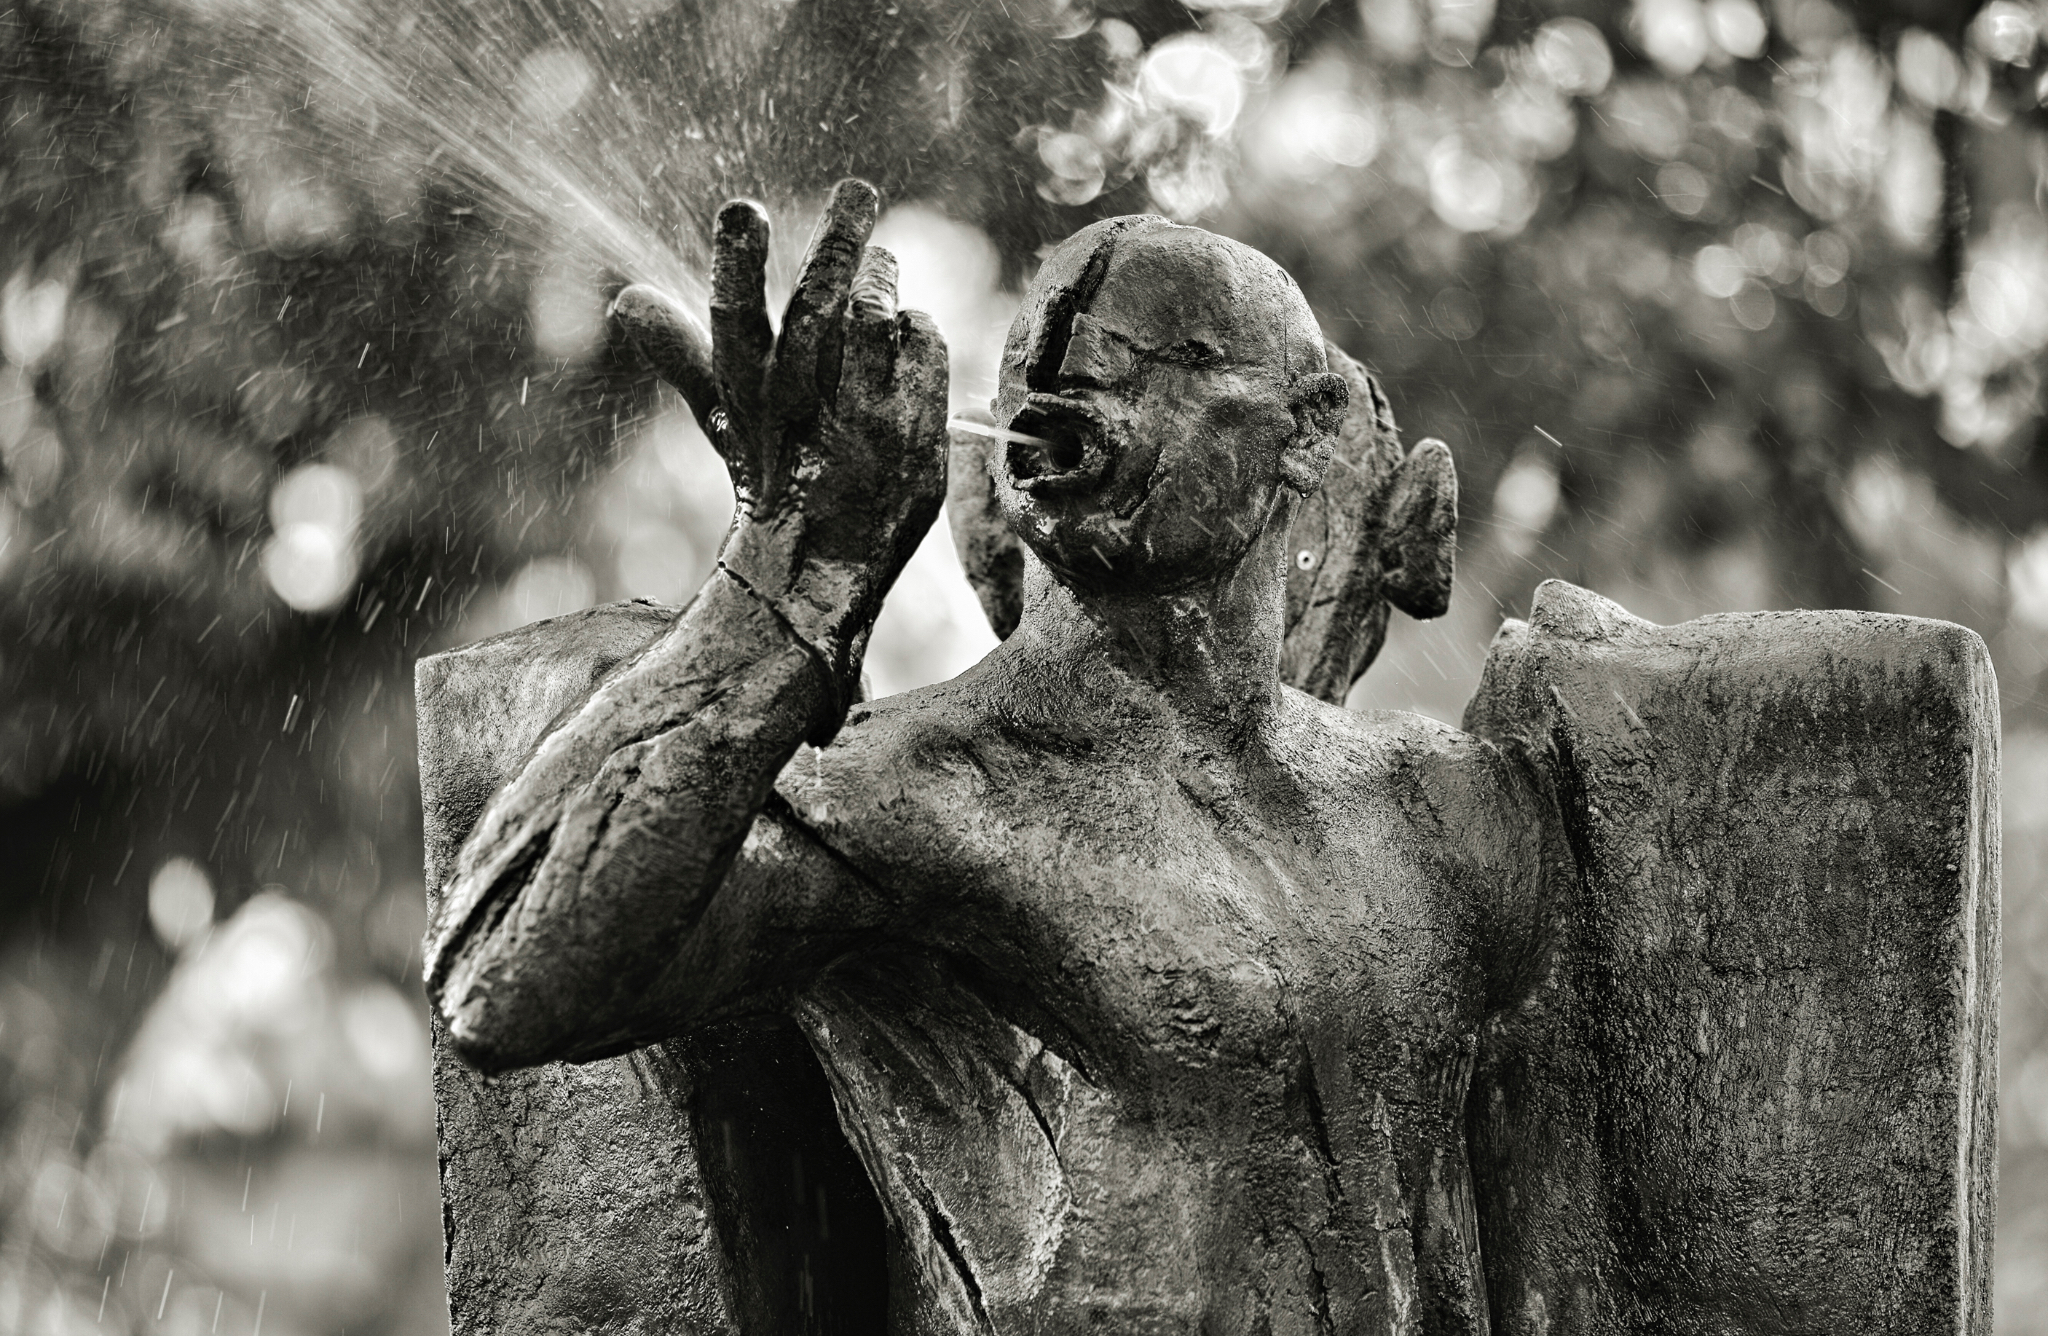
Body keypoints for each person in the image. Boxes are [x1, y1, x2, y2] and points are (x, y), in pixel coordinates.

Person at [425, 180, 1550, 1334]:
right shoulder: (915, 793)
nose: (1066, 381)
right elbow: (499, 994)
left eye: (1167, 356)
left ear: (1303, 434)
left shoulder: (1439, 805)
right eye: (1030, 364)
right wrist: (786, 576)